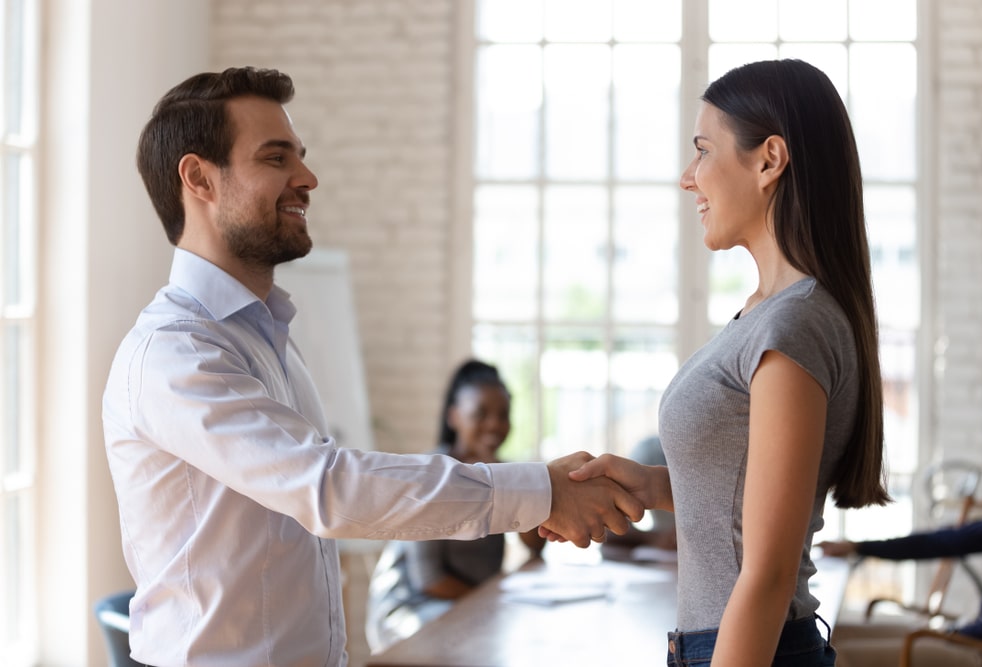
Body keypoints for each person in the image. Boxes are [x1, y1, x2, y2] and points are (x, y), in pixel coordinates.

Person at [101, 66, 643, 667]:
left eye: (299, 157)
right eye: (276, 158)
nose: (307, 178)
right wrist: (540, 491)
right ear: (199, 178)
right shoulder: (176, 352)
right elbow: (330, 490)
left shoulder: (268, 337)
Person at [547, 59, 892, 666]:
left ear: (769, 160)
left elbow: (768, 571)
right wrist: (652, 485)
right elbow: (750, 501)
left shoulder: (793, 325)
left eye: (704, 150)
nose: (689, 178)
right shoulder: (772, 314)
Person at [365, 359, 547, 653]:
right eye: (481, 413)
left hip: (467, 603)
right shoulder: (431, 475)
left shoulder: (501, 472)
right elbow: (430, 580)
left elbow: (537, 546)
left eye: (503, 415)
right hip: (412, 607)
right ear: (454, 417)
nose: (494, 425)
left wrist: (514, 489)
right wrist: (492, 603)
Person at [817, 513, 982, 666]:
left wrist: (959, 632)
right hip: (969, 634)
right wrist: (858, 547)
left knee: (836, 658)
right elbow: (935, 542)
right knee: (831, 635)